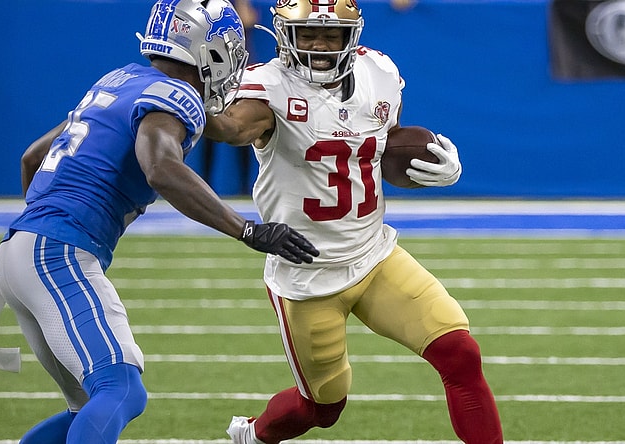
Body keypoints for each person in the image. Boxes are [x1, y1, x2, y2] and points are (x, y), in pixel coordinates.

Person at [0, 1, 319, 443]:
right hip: (55, 252)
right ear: (208, 49)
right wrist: (246, 229)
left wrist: (42, 228)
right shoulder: (177, 93)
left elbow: (33, 157)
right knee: (122, 389)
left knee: (89, 409)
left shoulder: (121, 80)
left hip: (23, 250)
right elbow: (161, 168)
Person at [203, 1, 503, 443]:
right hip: (307, 277)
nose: (319, 45)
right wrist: (177, 97)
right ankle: (255, 434)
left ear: (353, 35)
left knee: (459, 353)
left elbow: (385, 152)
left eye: (331, 35)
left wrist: (435, 168)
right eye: (307, 35)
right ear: (286, 36)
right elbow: (231, 128)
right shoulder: (267, 88)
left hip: (374, 254)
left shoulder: (378, 73)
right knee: (322, 408)